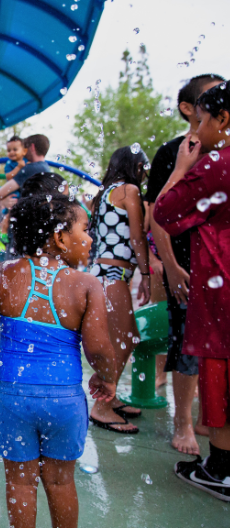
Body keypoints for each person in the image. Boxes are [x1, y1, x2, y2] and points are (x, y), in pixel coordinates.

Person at [0, 193, 117, 528]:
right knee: (61, 481)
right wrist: (106, 376)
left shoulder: (4, 273)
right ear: (59, 237)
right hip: (63, 401)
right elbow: (99, 348)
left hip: (14, 399)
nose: (90, 237)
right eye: (85, 228)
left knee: (20, 483)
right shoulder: (85, 284)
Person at [154, 82, 230, 502]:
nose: (197, 132)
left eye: (203, 121)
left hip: (222, 280)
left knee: (218, 366)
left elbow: (164, 211)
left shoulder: (216, 162)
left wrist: (182, 169)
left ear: (223, 119)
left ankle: (220, 467)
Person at [88, 146, 151, 434]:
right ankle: (102, 405)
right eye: (142, 166)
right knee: (124, 339)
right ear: (134, 166)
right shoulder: (128, 191)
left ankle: (109, 398)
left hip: (102, 271)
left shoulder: (104, 193)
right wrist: (147, 273)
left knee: (121, 338)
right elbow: (138, 237)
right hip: (113, 272)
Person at [0, 134, 51, 201]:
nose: (24, 151)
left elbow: (0, 194)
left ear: (32, 147)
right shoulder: (46, 168)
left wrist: (4, 201)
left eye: (25, 147)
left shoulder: (30, 169)